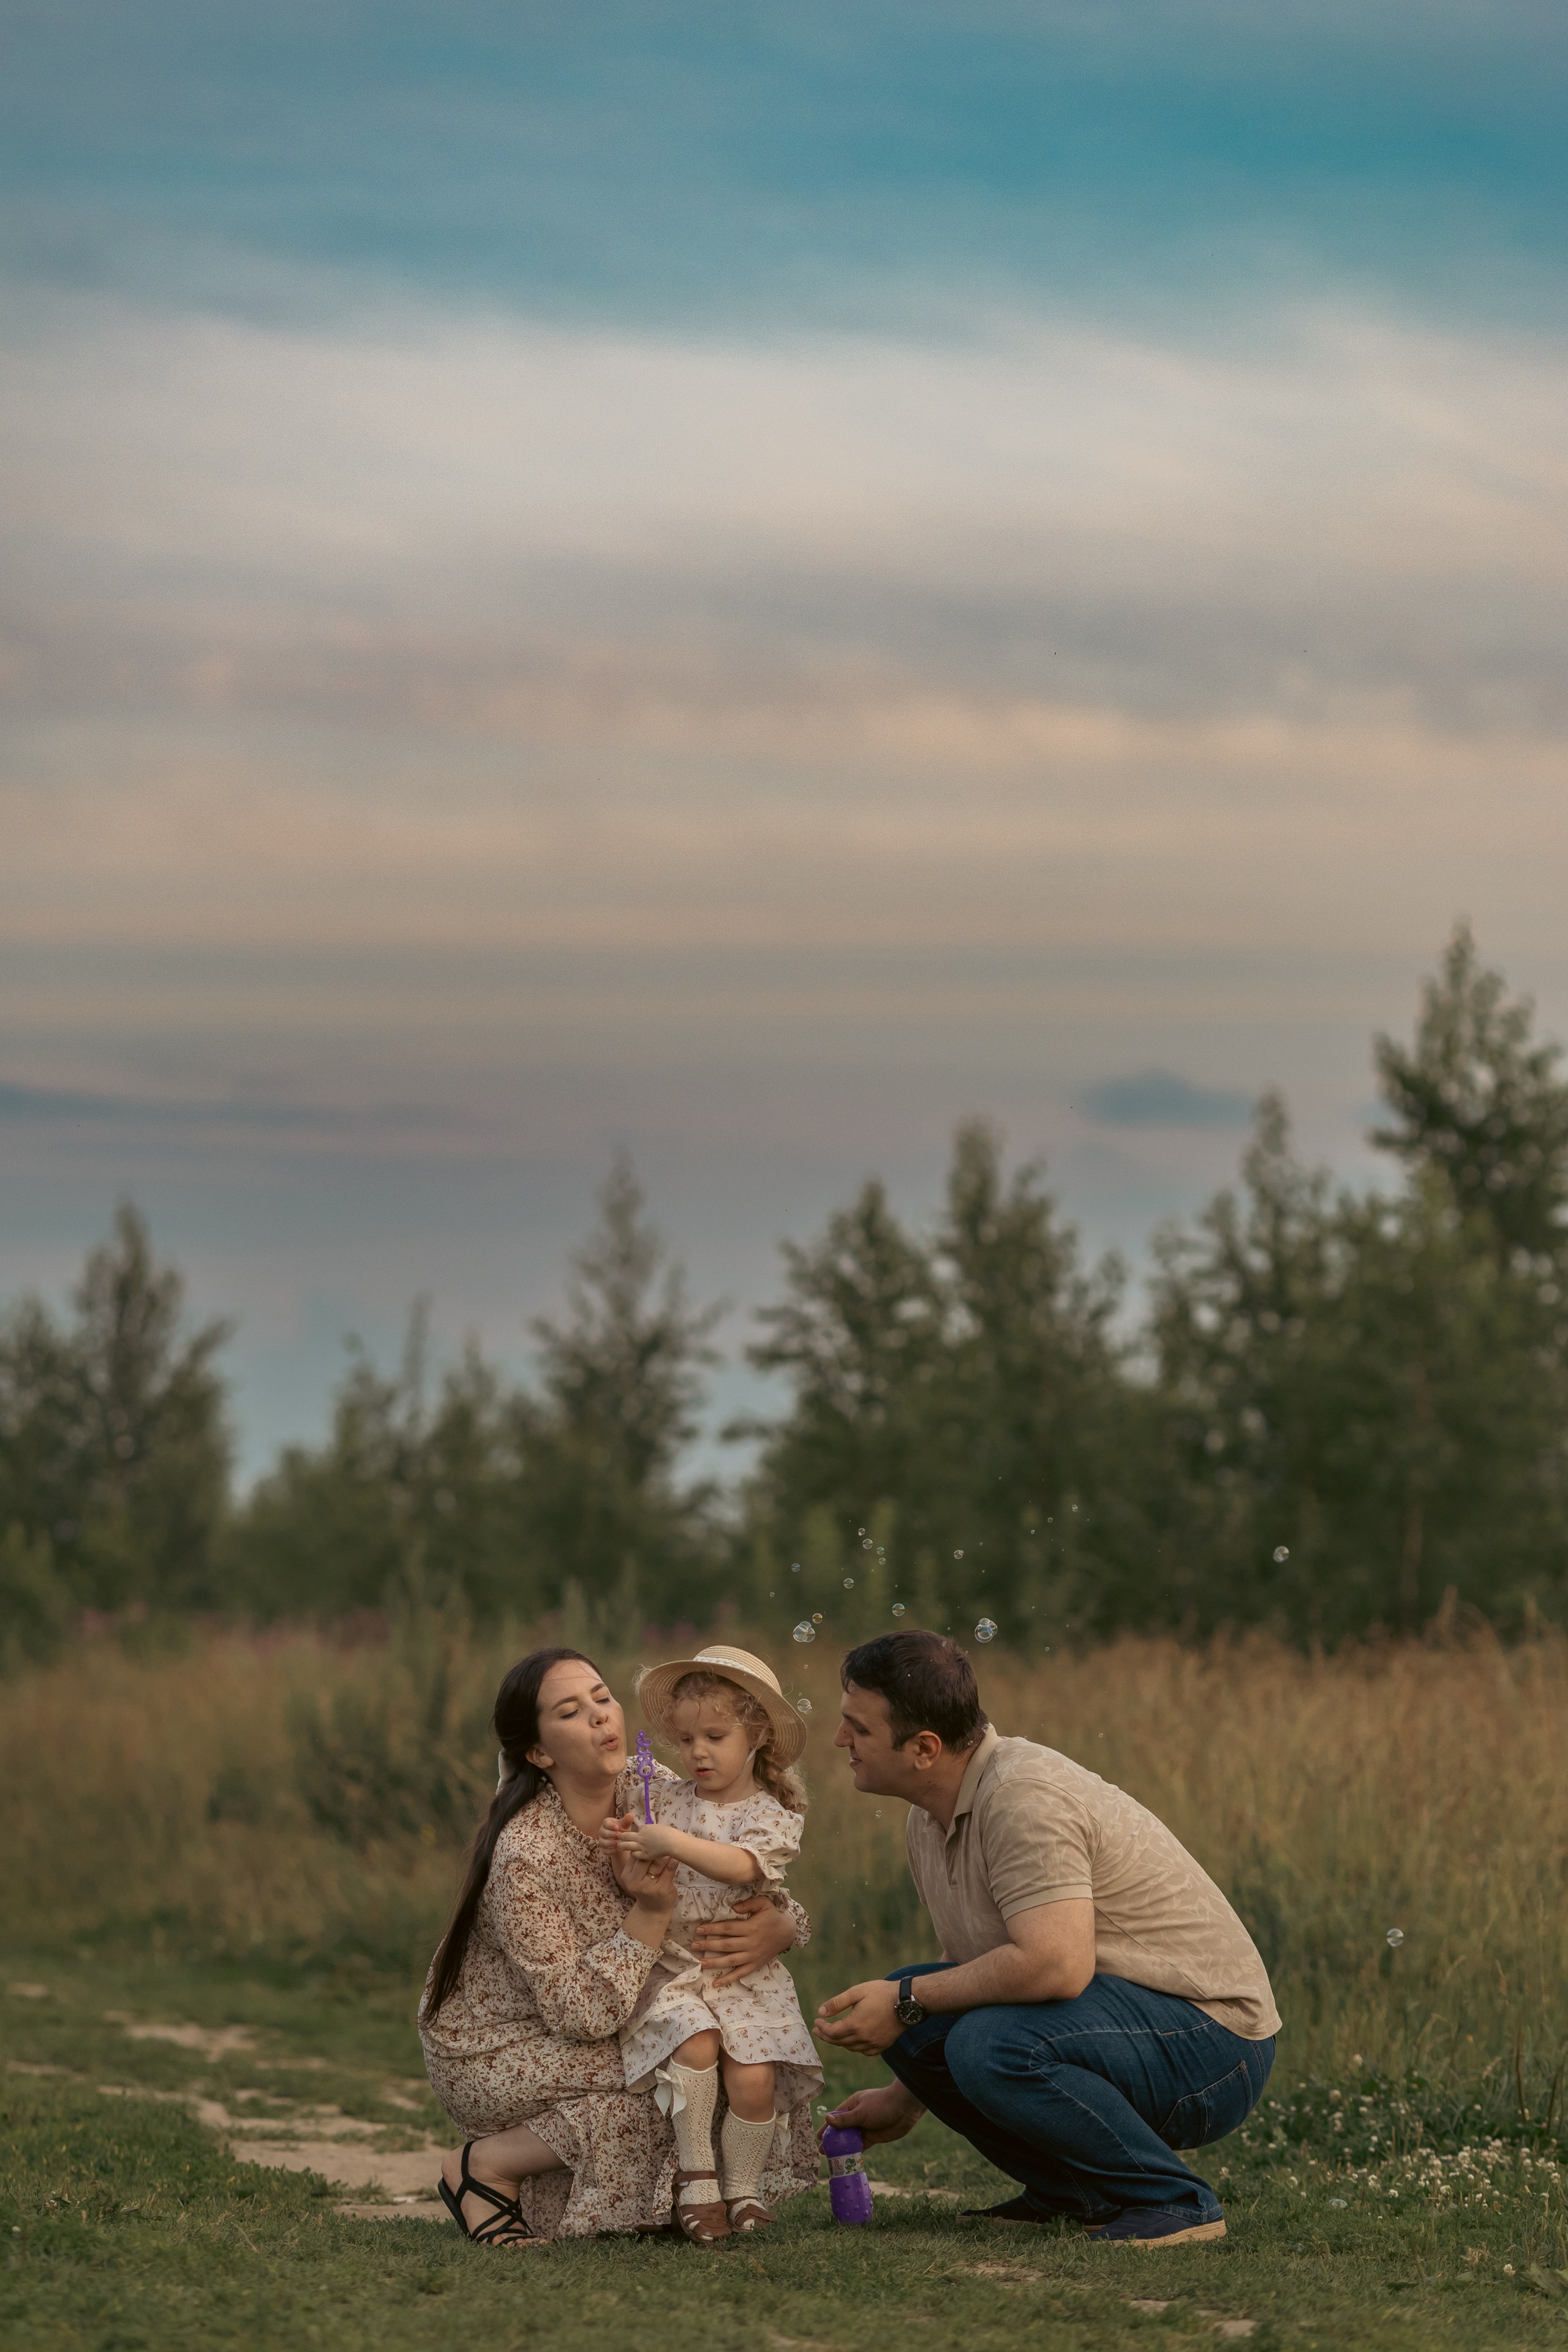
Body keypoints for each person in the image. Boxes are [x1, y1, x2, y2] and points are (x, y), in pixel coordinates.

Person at [815, 1630, 1279, 2247]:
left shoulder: (1022, 1797)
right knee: (921, 2010)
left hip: (1213, 2045)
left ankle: (1176, 2203)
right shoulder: (930, 1816)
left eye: (858, 1728)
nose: (839, 1740)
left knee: (977, 2036)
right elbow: (972, 1972)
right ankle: (1073, 2194)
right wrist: (906, 2094)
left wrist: (906, 2001)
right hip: (1125, 2024)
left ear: (924, 1748)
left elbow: (1056, 1968)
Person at [417, 1646, 807, 2247]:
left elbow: (733, 1865)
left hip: (617, 2022)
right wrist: (652, 1913)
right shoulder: (526, 1854)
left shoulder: (653, 1791)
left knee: (737, 2065)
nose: (602, 1717)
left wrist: (783, 1925)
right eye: (573, 1711)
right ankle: (484, 2166)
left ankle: (594, 2189)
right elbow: (581, 2014)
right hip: (503, 2045)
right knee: (680, 2072)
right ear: (540, 1752)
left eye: (603, 1698)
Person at [601, 1644, 823, 2244]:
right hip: (677, 1969)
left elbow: (740, 1867)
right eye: (686, 1739)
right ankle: (697, 2180)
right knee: (693, 2041)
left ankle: (742, 2190)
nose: (697, 1752)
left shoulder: (770, 1814)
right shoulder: (666, 1801)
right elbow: (644, 1847)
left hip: (742, 1973)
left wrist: (668, 1841)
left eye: (715, 1736)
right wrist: (629, 1840)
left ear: (756, 1735)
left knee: (753, 2079)